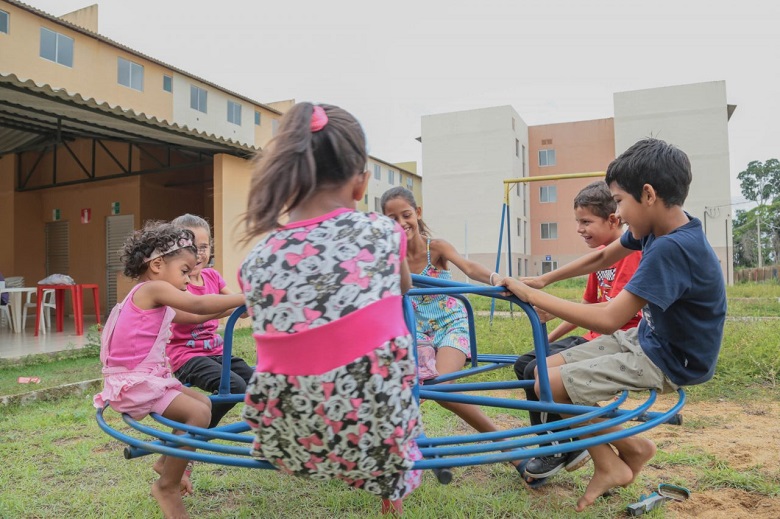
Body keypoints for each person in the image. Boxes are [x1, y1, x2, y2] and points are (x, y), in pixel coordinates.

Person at [502, 138, 727, 511]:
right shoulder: (656, 230)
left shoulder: (673, 248)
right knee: (544, 373)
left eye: (620, 201)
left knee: (553, 385)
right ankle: (633, 448)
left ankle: (610, 465)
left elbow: (608, 318)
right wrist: (543, 281)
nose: (618, 213)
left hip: (672, 359)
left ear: (649, 194)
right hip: (647, 338)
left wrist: (533, 297)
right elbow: (605, 254)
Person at [239, 102, 422, 515]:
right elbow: (403, 286)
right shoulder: (383, 232)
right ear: (361, 185)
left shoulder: (256, 258)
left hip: (286, 439)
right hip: (378, 439)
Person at [93, 221, 246, 519]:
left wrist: (239, 308)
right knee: (199, 414)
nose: (189, 279)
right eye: (185, 271)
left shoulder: (151, 296)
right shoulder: (153, 289)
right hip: (135, 382)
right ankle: (167, 486)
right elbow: (198, 305)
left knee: (202, 402)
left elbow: (195, 313)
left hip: (144, 378)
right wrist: (249, 297)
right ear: (158, 264)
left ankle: (167, 462)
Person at [380, 186, 521, 470]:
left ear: (417, 213)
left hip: (450, 325)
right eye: (392, 219)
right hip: (417, 332)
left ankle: (508, 447)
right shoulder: (390, 258)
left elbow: (468, 267)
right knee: (398, 383)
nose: (401, 224)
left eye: (405, 215)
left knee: (442, 386)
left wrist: (497, 278)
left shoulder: (437, 248)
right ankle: (419, 448)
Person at [513, 181, 642, 486]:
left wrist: (550, 305)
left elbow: (612, 309)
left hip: (616, 337)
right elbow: (587, 304)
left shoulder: (629, 254)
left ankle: (559, 447)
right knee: (524, 364)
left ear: (614, 220)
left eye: (586, 222)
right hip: (593, 334)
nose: (580, 229)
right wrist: (550, 339)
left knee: (537, 371)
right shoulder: (600, 256)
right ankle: (555, 445)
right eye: (578, 222)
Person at [168, 213, 253, 429]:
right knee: (235, 387)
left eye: (204, 246)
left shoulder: (213, 277)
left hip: (216, 352)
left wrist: (256, 300)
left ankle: (270, 431)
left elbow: (240, 310)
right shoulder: (174, 285)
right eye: (190, 246)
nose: (198, 253)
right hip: (186, 356)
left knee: (260, 381)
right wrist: (235, 305)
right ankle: (190, 433)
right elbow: (195, 313)